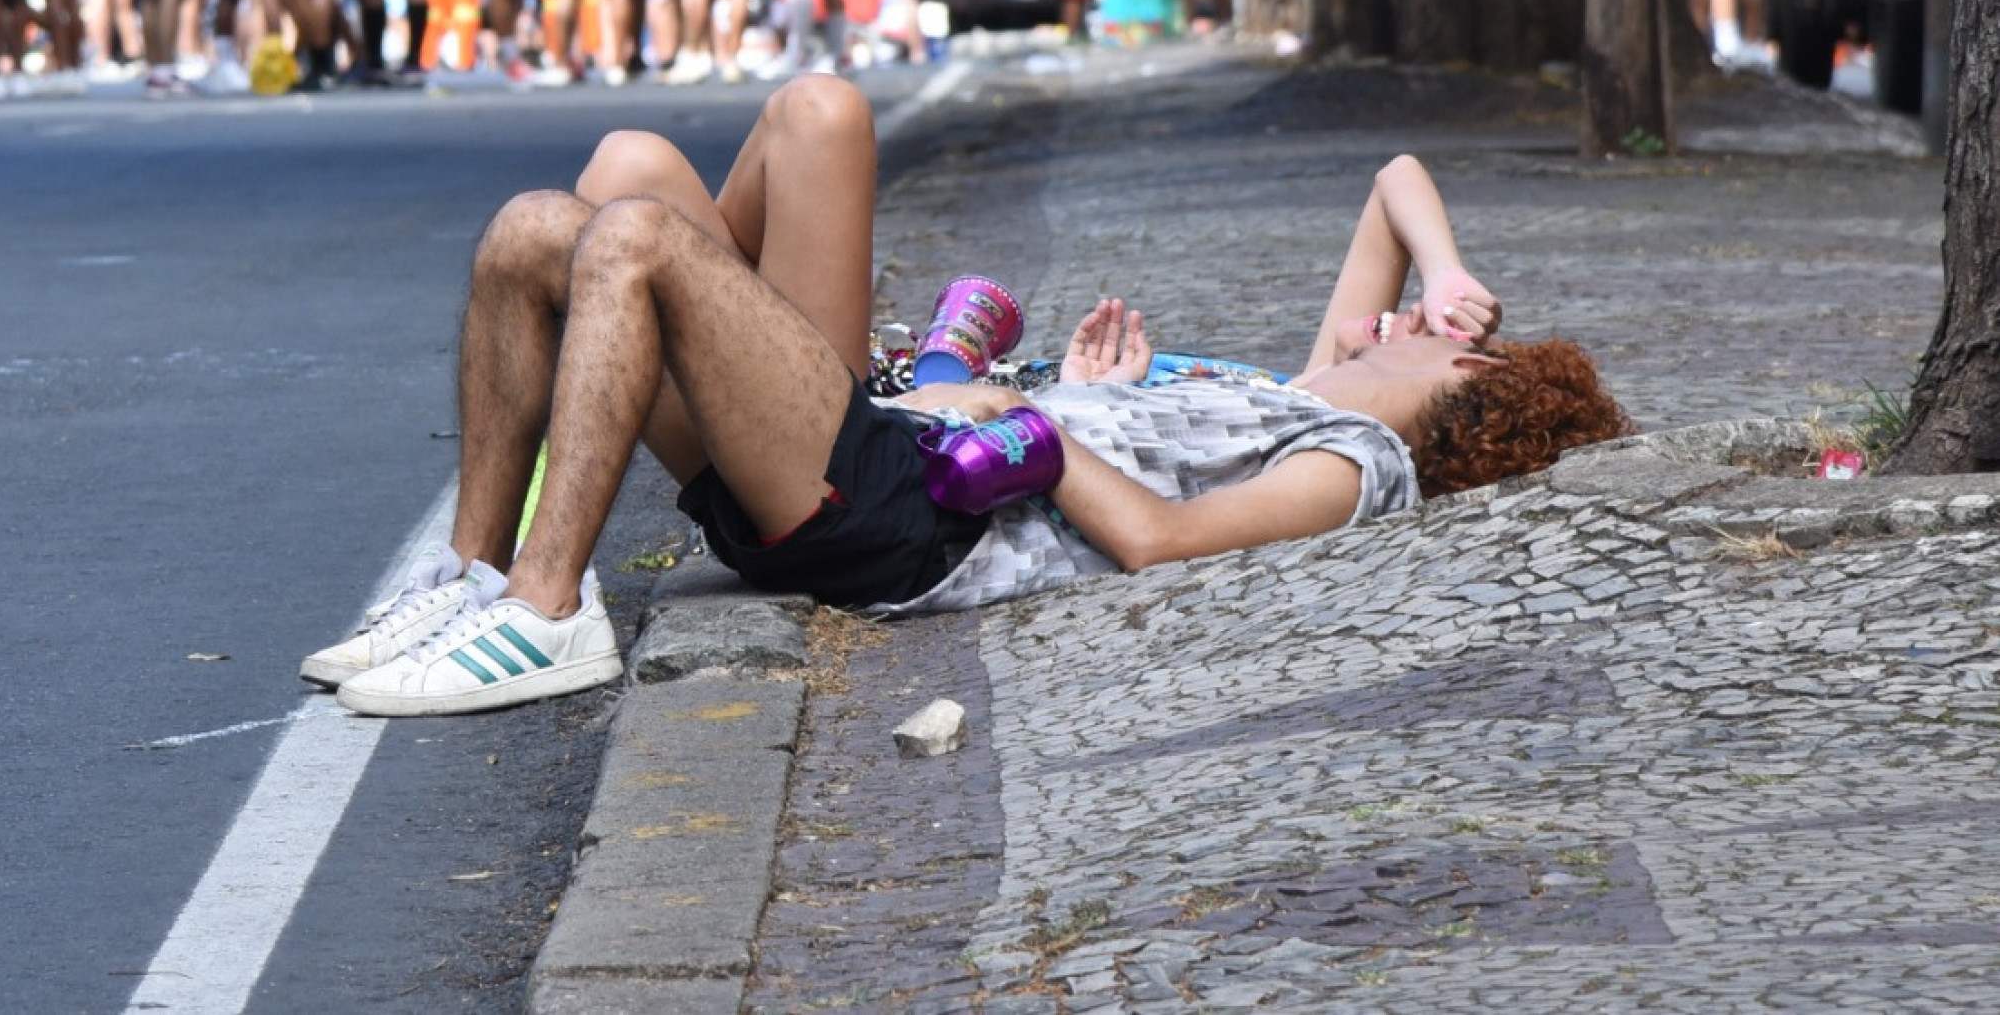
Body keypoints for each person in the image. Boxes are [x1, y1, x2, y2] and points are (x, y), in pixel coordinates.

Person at [303, 86, 1629, 716]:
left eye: (1418, 325)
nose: (1387, 312)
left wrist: (1026, 415)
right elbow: (1393, 170)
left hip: (903, 514)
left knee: (632, 236)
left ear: (1467, 382)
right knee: (553, 215)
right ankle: (475, 569)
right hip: (885, 432)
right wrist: (1445, 270)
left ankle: (547, 609)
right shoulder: (1292, 384)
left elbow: (1160, 542)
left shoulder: (1353, 463)